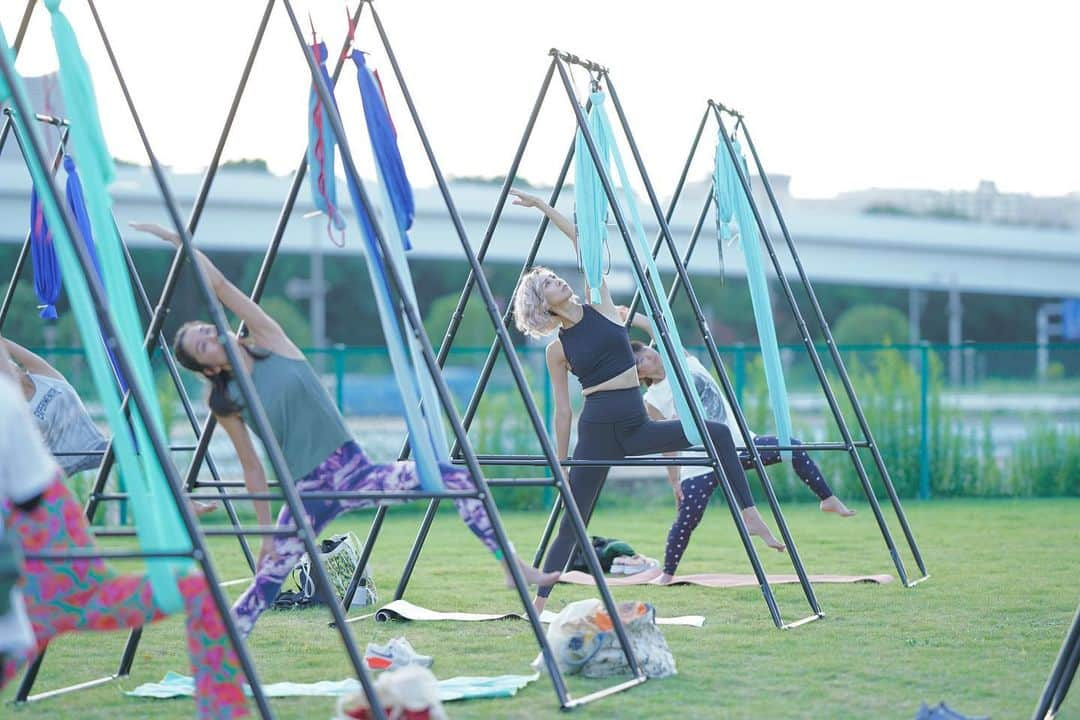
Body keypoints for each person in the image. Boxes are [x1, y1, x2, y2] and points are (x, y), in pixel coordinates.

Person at [130, 222, 559, 638]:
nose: (213, 335)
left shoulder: (270, 340)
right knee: (263, 587)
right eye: (203, 345)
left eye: (208, 329)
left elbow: (220, 288)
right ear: (208, 366)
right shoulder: (224, 401)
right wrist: (265, 536)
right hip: (307, 493)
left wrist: (180, 243)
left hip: (356, 471)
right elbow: (253, 471)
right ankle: (217, 650)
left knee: (458, 478)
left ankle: (512, 566)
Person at [508, 189, 784, 613]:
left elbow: (586, 247)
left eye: (554, 276)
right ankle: (539, 603)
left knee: (717, 434)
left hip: (636, 425)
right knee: (573, 522)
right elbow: (563, 411)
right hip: (598, 430)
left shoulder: (599, 304)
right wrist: (561, 462)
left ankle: (749, 514)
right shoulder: (556, 350)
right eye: (548, 283)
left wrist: (546, 209)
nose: (558, 280)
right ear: (543, 304)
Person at [0, 338, 250, 719]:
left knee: (195, 583)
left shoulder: (41, 379)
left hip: (77, 585)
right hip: (36, 591)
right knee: (136, 478)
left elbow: (13, 354)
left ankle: (223, 711)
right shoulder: (10, 410)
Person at [626, 314, 855, 583]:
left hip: (739, 444)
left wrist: (629, 316)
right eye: (640, 361)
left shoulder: (686, 362)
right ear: (639, 374)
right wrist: (674, 480)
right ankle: (668, 573)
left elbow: (660, 327)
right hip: (699, 461)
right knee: (687, 518)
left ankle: (827, 499)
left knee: (791, 446)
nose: (647, 357)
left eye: (645, 351)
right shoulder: (652, 398)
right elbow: (666, 442)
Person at [3, 335, 109, 477]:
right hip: (63, 468)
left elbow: (6, 344)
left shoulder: (43, 375)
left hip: (96, 448)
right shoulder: (16, 406)